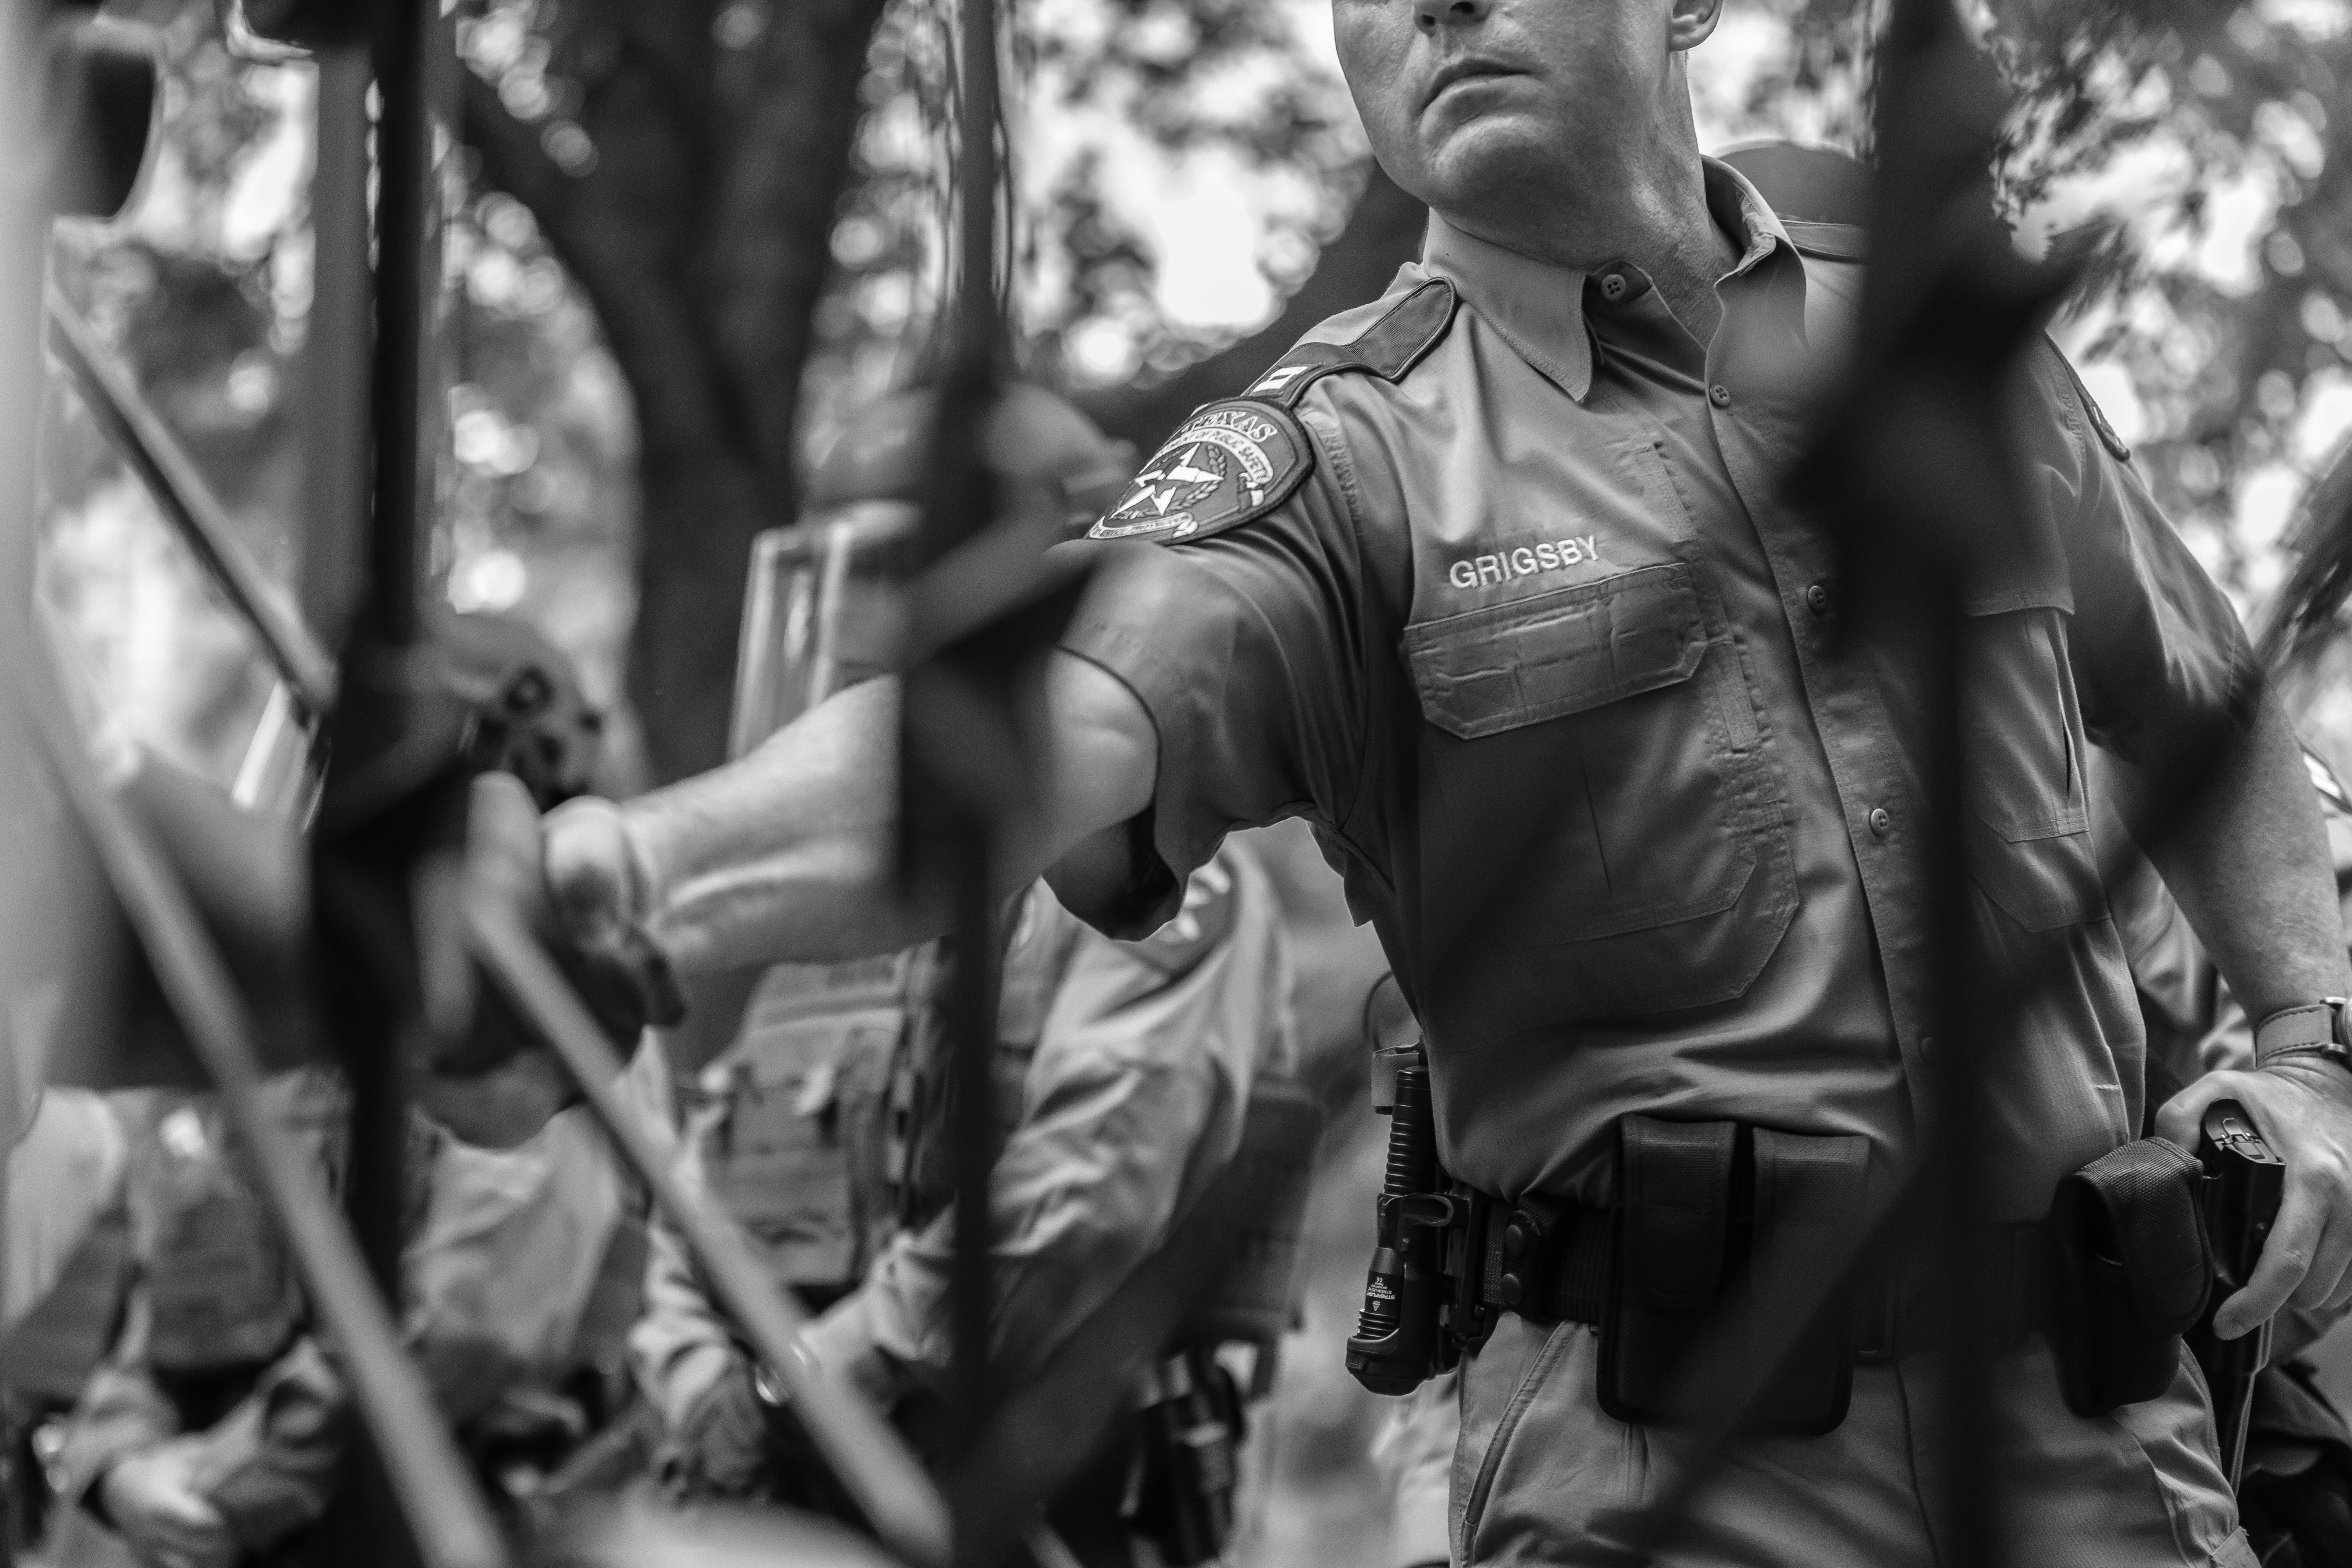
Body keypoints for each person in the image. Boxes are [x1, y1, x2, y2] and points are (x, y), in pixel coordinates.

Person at [537, 2, 2352, 1563]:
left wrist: (2311, 1044)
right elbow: (1043, 721)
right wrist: (622, 877)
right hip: (1674, 1481)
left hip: (2107, 1440)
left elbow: (2206, 705)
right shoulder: (1342, 460)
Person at [627, 386, 1310, 1568]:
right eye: (849, 583)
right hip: (795, 1500)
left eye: (903, 578)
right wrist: (699, 1386)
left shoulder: (1146, 892)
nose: (863, 631)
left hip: (1049, 1505)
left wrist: (800, 1389)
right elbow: (698, 1179)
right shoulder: (835, 896)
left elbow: (1086, 1187)